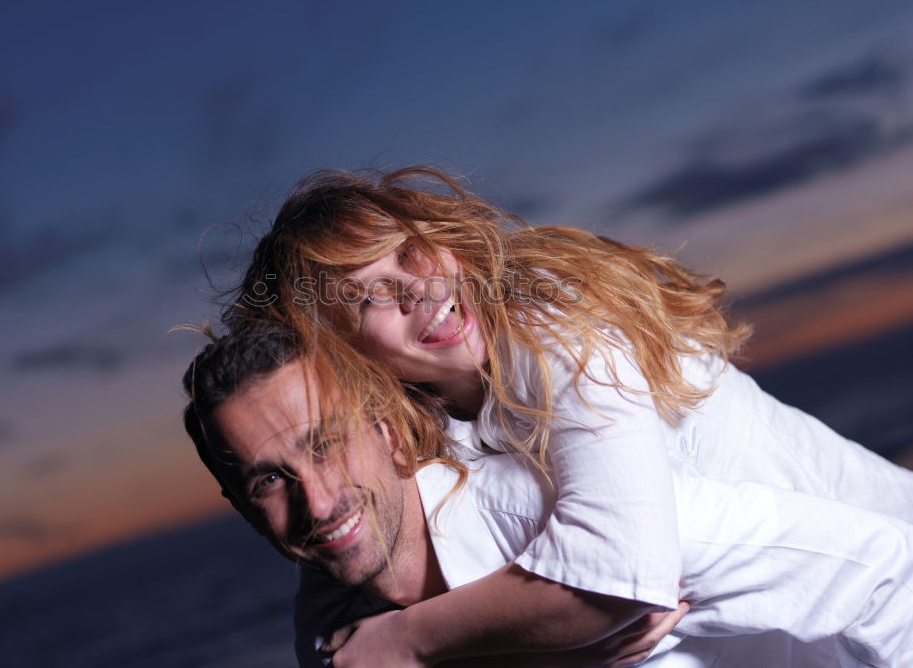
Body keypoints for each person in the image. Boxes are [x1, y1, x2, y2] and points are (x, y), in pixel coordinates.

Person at [223, 167, 913, 662]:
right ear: (347, 359)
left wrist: (414, 639)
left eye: (409, 253)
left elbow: (620, 566)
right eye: (369, 297)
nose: (419, 290)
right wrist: (553, 642)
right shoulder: (432, 436)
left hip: (879, 577)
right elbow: (335, 633)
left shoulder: (548, 315)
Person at [181, 319, 913, 667]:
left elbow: (891, 572)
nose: (318, 501)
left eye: (326, 444)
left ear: (392, 434)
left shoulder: (569, 520)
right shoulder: (343, 632)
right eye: (269, 480)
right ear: (242, 506)